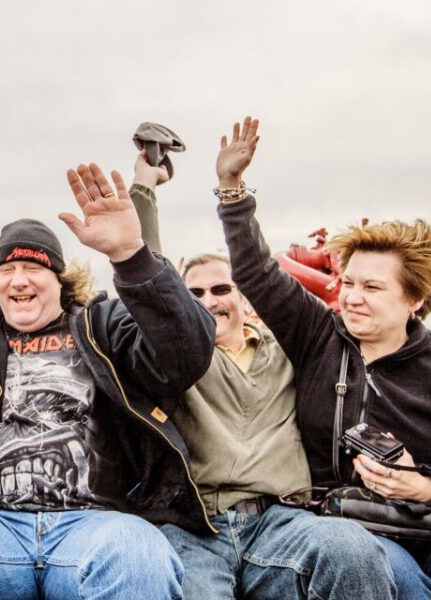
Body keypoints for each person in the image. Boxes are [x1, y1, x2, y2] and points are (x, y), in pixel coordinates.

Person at [214, 116, 431, 599]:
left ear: (415, 299)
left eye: (372, 287)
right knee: (399, 581)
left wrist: (424, 486)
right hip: (348, 525)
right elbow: (257, 273)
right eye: (348, 284)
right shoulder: (316, 333)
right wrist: (232, 190)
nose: (352, 298)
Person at [0, 163, 217, 599]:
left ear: (60, 281)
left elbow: (184, 354)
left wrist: (131, 254)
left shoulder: (103, 325)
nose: (19, 279)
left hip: (94, 526)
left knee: (139, 552)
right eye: (7, 270)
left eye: (33, 268)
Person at [129, 152, 396, 599]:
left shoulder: (291, 351)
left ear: (243, 297)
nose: (209, 300)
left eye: (220, 289)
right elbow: (145, 278)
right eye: (193, 293)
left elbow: (384, 350)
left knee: (352, 549)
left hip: (281, 520)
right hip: (195, 525)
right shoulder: (175, 359)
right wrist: (144, 188)